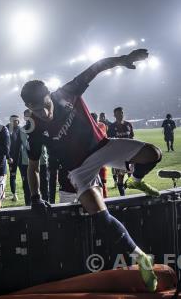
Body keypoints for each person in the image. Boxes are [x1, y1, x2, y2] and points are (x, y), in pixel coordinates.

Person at [20, 49, 161, 292]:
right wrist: (35, 198)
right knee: (101, 216)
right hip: (79, 170)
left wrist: (122, 60)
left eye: (44, 107)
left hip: (102, 147)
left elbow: (96, 67)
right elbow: (33, 166)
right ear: (28, 107)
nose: (43, 114)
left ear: (49, 95)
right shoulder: (32, 127)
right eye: (35, 111)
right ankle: (141, 258)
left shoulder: (67, 92)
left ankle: (135, 180)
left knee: (154, 154)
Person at [108, 107, 134, 196]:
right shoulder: (111, 127)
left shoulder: (128, 125)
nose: (120, 115)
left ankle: (125, 188)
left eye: (121, 113)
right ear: (114, 115)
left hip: (130, 154)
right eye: (118, 113)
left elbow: (132, 138)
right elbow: (109, 141)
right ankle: (122, 196)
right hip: (119, 156)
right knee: (121, 176)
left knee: (132, 175)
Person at [91, 112, 109, 198]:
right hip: (94, 158)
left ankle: (104, 199)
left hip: (100, 157)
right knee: (95, 182)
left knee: (103, 181)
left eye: (95, 120)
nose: (94, 122)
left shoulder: (102, 126)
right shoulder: (101, 125)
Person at [6, 115, 21, 201]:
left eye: (17, 121)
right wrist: (8, 156)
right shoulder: (6, 129)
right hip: (12, 158)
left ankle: (30, 193)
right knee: (13, 176)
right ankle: (14, 194)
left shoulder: (21, 129)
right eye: (14, 120)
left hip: (22, 158)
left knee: (25, 176)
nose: (16, 122)